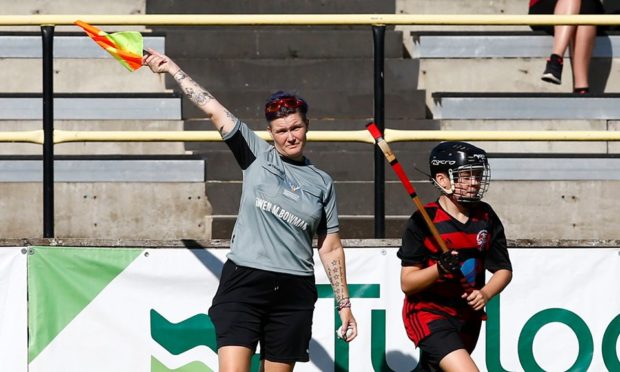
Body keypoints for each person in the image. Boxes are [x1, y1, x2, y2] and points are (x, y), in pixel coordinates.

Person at [143, 49, 357, 372]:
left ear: (307, 126)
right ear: (271, 133)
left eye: (295, 127)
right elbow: (212, 107)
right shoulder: (255, 154)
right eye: (281, 131)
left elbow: (329, 247)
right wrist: (172, 69)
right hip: (244, 282)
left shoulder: (322, 182)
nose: (290, 136)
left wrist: (344, 305)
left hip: (293, 290)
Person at [398, 142, 513, 371]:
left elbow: (504, 270)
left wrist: (485, 293)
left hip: (466, 317)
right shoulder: (424, 221)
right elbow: (407, 283)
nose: (474, 182)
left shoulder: (486, 216)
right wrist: (439, 269)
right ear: (443, 180)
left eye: (478, 175)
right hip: (428, 313)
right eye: (466, 176)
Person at [529, 0, 605, 94]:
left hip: (588, 6)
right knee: (583, 7)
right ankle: (581, 87)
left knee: (587, 7)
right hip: (547, 6)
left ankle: (556, 63)